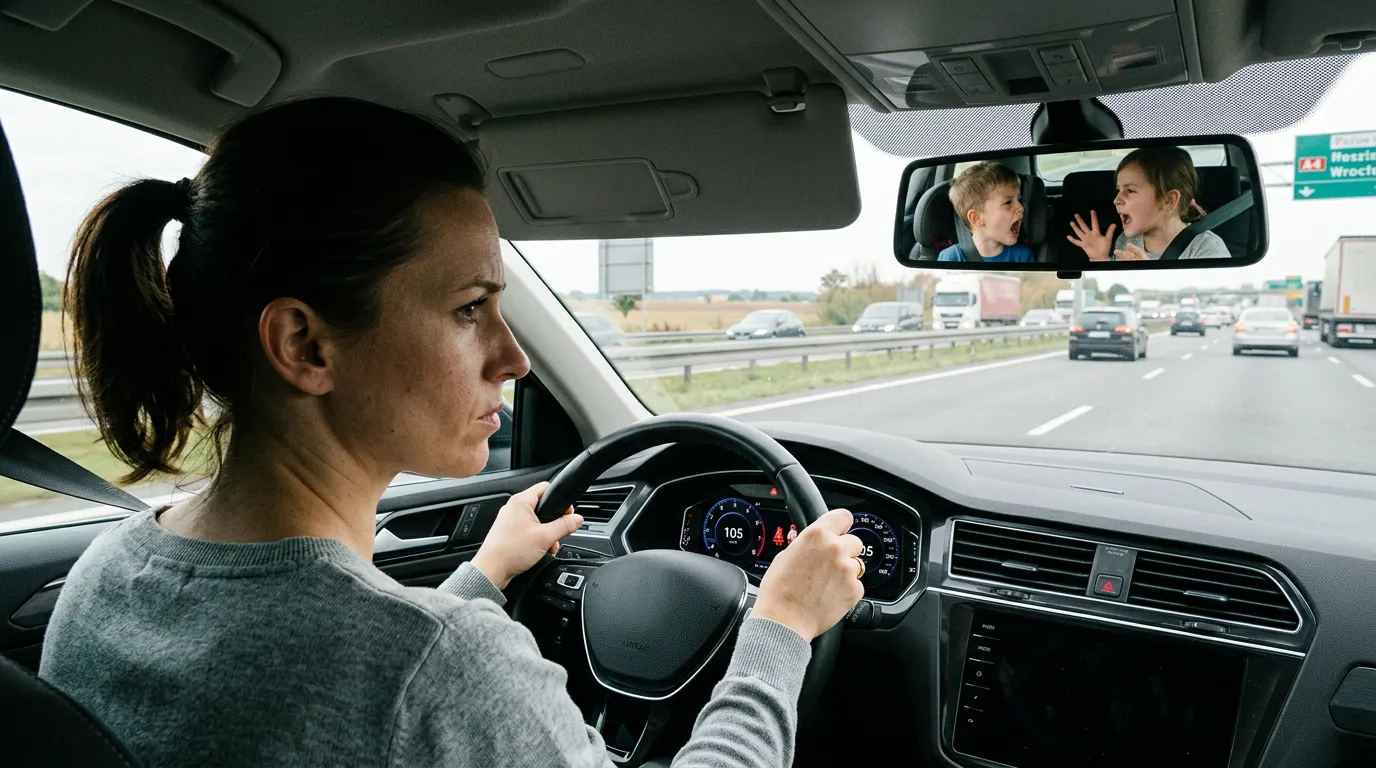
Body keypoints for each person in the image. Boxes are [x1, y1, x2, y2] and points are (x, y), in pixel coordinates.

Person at [38, 97, 867, 767]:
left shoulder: (104, 577)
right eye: (470, 309)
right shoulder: (449, 667)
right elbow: (404, 676)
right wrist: (780, 628)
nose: (515, 359)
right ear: (305, 345)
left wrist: (485, 573)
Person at [1067, 146, 1230, 261]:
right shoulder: (1126, 242)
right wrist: (1099, 258)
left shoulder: (1206, 248)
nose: (1116, 200)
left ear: (1169, 200)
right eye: (1118, 190)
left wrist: (1147, 274)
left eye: (1130, 190)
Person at [938, 161, 1036, 263]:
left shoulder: (1022, 256)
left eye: (1019, 200)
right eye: (1008, 202)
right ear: (976, 218)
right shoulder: (950, 258)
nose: (1021, 208)